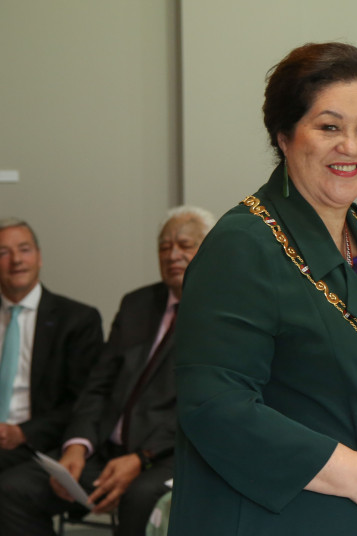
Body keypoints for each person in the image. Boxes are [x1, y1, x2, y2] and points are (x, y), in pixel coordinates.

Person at [166, 42, 357, 536]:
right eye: (329, 127)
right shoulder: (243, 244)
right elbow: (213, 405)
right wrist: (349, 471)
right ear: (284, 135)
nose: (350, 146)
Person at [0, 206, 215, 536]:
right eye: (163, 246)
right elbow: (98, 386)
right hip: (104, 450)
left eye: (185, 245)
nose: (173, 254)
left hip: (167, 454)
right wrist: (76, 445)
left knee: (141, 498)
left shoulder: (221, 310)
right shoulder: (137, 304)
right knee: (15, 489)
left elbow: (207, 401)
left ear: (210, 248)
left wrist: (141, 458)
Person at [0, 218, 103, 473]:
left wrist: (22, 433)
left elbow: (83, 401)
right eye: (3, 252)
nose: (16, 260)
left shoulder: (77, 320)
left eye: (24, 250)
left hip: (40, 441)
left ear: (39, 257)